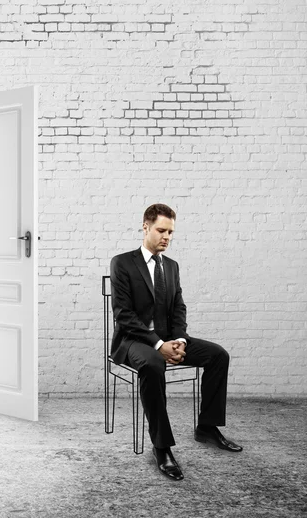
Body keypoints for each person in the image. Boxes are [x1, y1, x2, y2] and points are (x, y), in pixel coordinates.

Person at [110, 203, 242, 481]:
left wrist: (180, 339)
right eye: (161, 230)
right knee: (153, 365)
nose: (167, 237)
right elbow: (124, 316)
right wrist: (159, 345)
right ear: (145, 227)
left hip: (171, 338)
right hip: (134, 341)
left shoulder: (171, 266)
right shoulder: (122, 263)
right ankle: (162, 447)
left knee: (218, 355)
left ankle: (206, 427)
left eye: (171, 232)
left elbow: (178, 307)